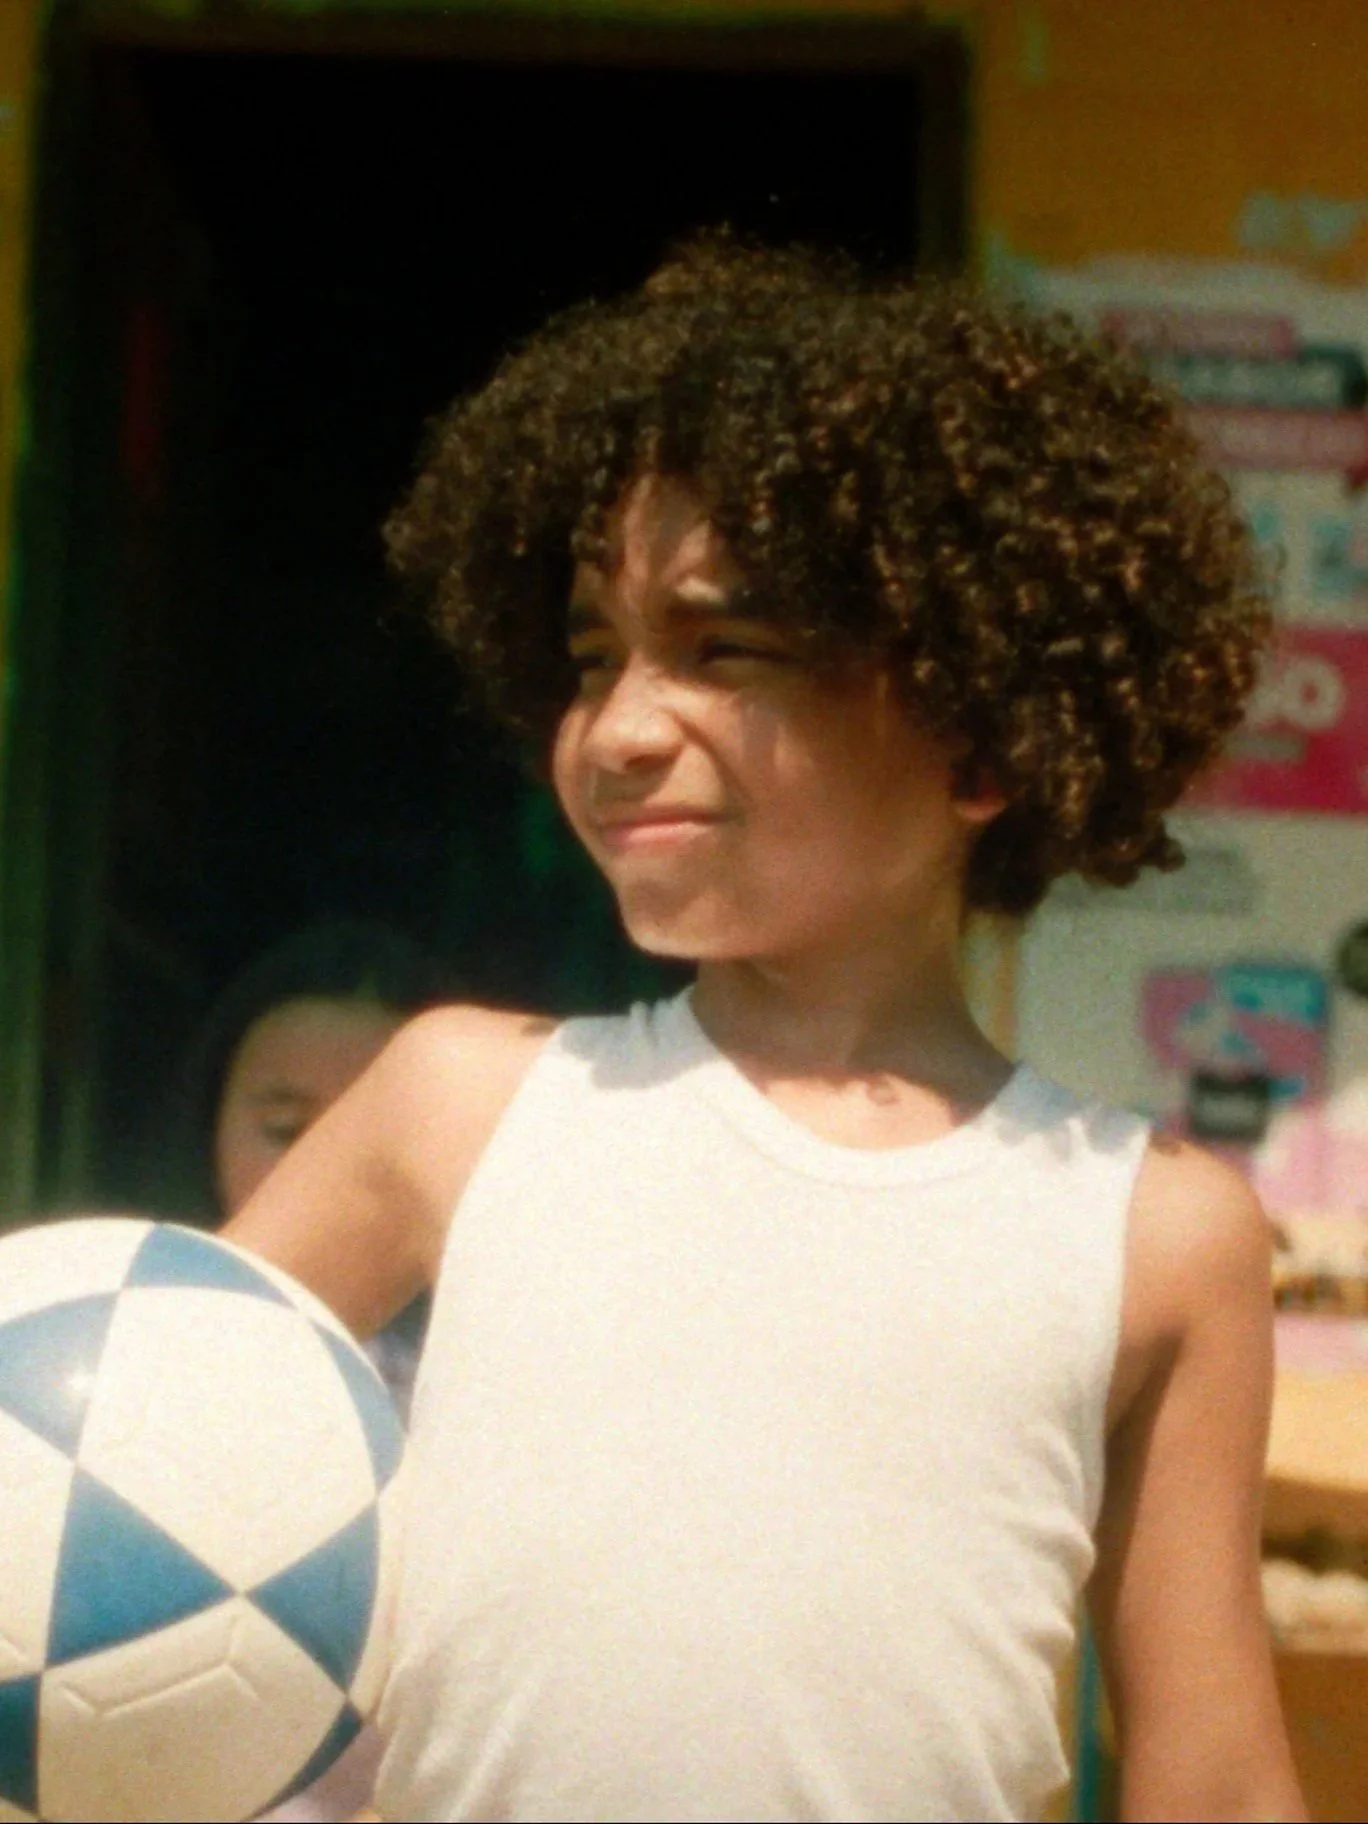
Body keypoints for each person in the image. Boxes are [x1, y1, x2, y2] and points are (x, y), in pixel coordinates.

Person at [225, 234, 1305, 1822]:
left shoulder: (1156, 1237)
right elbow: (110, 1451)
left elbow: (1212, 1779)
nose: (620, 726)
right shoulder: (456, 1105)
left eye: (724, 648)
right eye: (594, 657)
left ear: (980, 733)